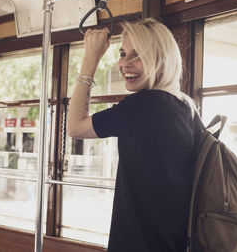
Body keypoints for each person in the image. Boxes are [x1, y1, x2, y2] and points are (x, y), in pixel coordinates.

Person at [67, 18, 204, 252]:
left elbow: (75, 126)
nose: (124, 64)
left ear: (161, 61)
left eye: (137, 55)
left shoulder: (142, 105)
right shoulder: (187, 107)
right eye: (122, 53)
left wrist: (90, 59)